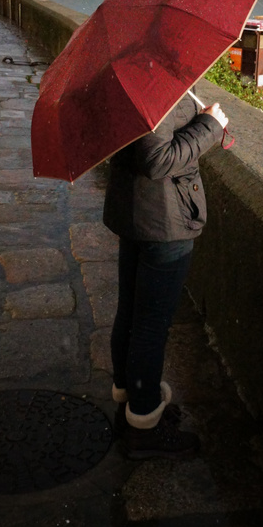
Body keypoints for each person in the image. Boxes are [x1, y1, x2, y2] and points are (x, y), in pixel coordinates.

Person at [103, 90, 228, 460]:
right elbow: (158, 159)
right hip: (163, 220)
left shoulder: (127, 78)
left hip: (135, 210)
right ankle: (143, 422)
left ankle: (131, 396)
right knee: (150, 324)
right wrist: (210, 125)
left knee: (131, 311)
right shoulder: (155, 83)